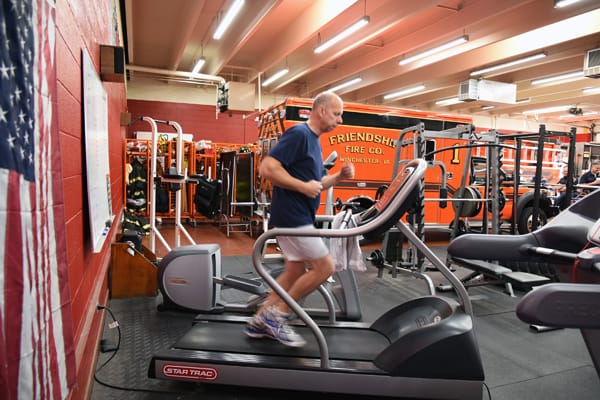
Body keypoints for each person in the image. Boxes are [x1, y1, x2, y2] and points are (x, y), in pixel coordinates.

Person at [244, 92, 355, 347]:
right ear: (322, 111)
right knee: (324, 268)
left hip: (294, 215)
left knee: (294, 270)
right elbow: (268, 168)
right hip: (293, 217)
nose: (340, 119)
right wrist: (302, 188)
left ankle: (260, 320)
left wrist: (338, 177)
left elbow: (314, 184)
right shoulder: (299, 134)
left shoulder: (314, 141)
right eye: (337, 114)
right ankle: (278, 315)